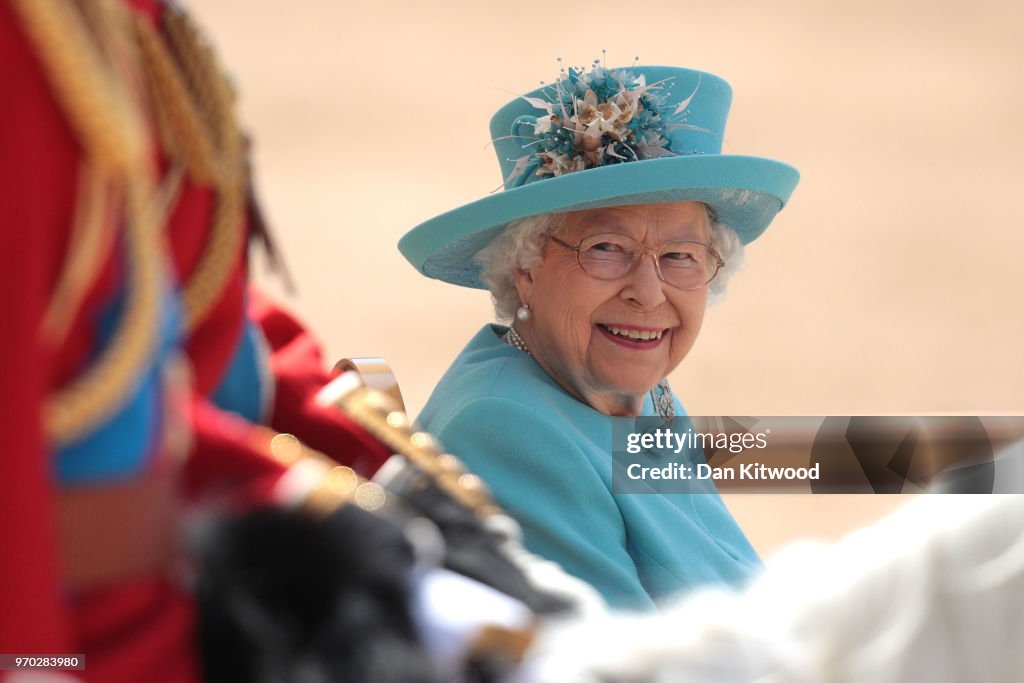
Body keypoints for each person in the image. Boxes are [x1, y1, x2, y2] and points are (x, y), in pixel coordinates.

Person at [0, 3, 592, 681]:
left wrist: (372, 488)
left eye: (687, 257)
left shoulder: (124, 30)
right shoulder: (35, 44)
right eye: (606, 248)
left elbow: (193, 342)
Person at [400, 62, 800, 609]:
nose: (649, 292)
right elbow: (624, 662)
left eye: (680, 256)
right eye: (607, 249)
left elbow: (792, 457)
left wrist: (936, 457)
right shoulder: (506, 427)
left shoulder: (622, 392)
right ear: (526, 267)